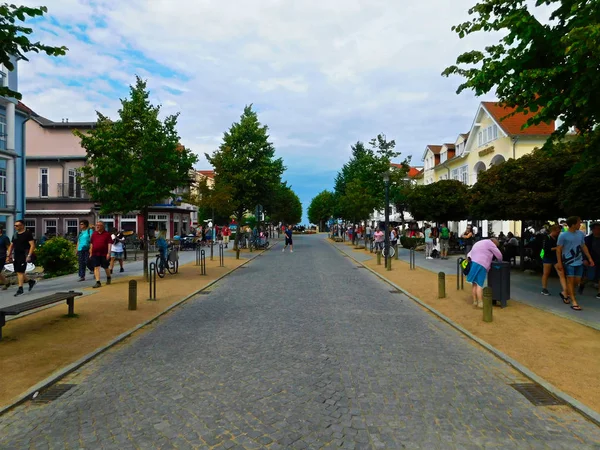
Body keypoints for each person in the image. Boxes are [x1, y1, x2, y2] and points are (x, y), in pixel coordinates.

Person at [556, 216, 595, 311]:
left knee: (576, 281)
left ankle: (565, 293)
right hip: (568, 261)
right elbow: (558, 249)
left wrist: (590, 258)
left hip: (579, 261)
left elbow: (583, 246)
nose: (580, 224)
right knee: (570, 280)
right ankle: (574, 301)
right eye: (579, 223)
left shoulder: (581, 234)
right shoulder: (563, 235)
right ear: (573, 224)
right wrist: (559, 263)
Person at [466, 238, 503, 308]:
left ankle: (475, 301)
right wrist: (500, 261)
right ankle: (480, 302)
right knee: (480, 284)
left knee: (474, 283)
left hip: (473, 263)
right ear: (494, 243)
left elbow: (469, 254)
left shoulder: (480, 242)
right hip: (482, 264)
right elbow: (499, 255)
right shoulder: (490, 244)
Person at [6, 220, 36, 297]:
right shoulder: (15, 234)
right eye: (15, 225)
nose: (15, 227)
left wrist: (29, 255)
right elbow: (11, 245)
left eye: (17, 225)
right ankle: (30, 281)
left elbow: (32, 245)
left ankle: (20, 289)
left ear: (22, 225)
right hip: (17, 255)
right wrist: (8, 255)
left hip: (24, 255)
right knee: (18, 271)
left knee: (20, 272)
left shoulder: (27, 234)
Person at [540, 225, 568, 299]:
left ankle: (565, 290)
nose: (559, 233)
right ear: (553, 230)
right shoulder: (547, 238)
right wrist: (557, 248)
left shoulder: (558, 238)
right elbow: (546, 249)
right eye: (557, 231)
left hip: (556, 258)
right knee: (546, 273)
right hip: (548, 257)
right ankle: (544, 288)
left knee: (561, 273)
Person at [579, 222, 600, 299]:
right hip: (590, 260)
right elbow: (584, 250)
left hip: (599, 260)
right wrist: (585, 259)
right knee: (588, 276)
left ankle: (599, 293)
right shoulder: (588, 239)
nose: (599, 230)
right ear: (593, 229)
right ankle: (582, 285)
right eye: (597, 228)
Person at [89, 221, 113, 288]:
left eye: (99, 225)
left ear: (103, 226)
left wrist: (109, 253)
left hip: (104, 253)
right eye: (97, 225)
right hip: (95, 253)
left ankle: (108, 277)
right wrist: (90, 252)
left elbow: (109, 244)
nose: (97, 226)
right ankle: (98, 282)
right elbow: (91, 243)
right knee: (96, 267)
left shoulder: (107, 234)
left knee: (105, 266)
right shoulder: (94, 234)